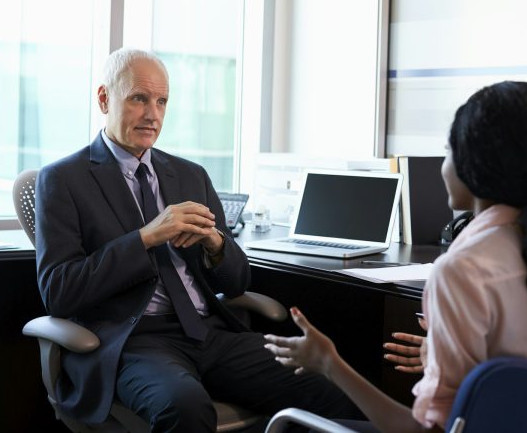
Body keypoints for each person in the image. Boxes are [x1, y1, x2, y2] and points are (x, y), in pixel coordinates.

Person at [264, 81, 527, 432]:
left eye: (448, 150)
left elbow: (422, 429)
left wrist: (329, 362)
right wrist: (454, 364)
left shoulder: (461, 271)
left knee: (293, 426)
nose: (442, 163)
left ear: (474, 163)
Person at [34, 48, 360, 431]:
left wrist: (216, 245)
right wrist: (146, 237)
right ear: (105, 98)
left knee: (333, 384)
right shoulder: (63, 179)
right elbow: (59, 290)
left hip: (210, 332)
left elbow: (238, 282)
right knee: (184, 406)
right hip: (135, 341)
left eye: (161, 101)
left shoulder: (190, 176)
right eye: (139, 98)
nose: (153, 114)